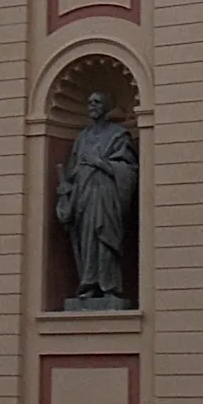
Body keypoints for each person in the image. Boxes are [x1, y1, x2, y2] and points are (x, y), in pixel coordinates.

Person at [54, 92, 140, 307]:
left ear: (107, 106)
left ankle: (109, 286)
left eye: (97, 102)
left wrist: (100, 163)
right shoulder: (82, 138)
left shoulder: (118, 135)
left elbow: (129, 170)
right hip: (83, 197)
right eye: (89, 101)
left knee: (106, 240)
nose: (91, 105)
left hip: (106, 197)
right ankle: (89, 284)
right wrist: (67, 189)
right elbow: (74, 170)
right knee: (87, 241)